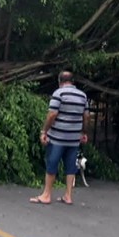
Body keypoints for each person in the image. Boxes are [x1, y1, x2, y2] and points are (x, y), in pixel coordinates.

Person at [29, 71, 89, 206]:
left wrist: (44, 131)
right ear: (72, 81)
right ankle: (68, 195)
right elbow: (86, 116)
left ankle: (46, 195)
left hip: (58, 137)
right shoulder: (83, 95)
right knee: (70, 166)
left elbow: (52, 115)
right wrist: (84, 132)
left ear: (59, 80)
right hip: (74, 138)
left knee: (52, 163)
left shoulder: (59, 94)